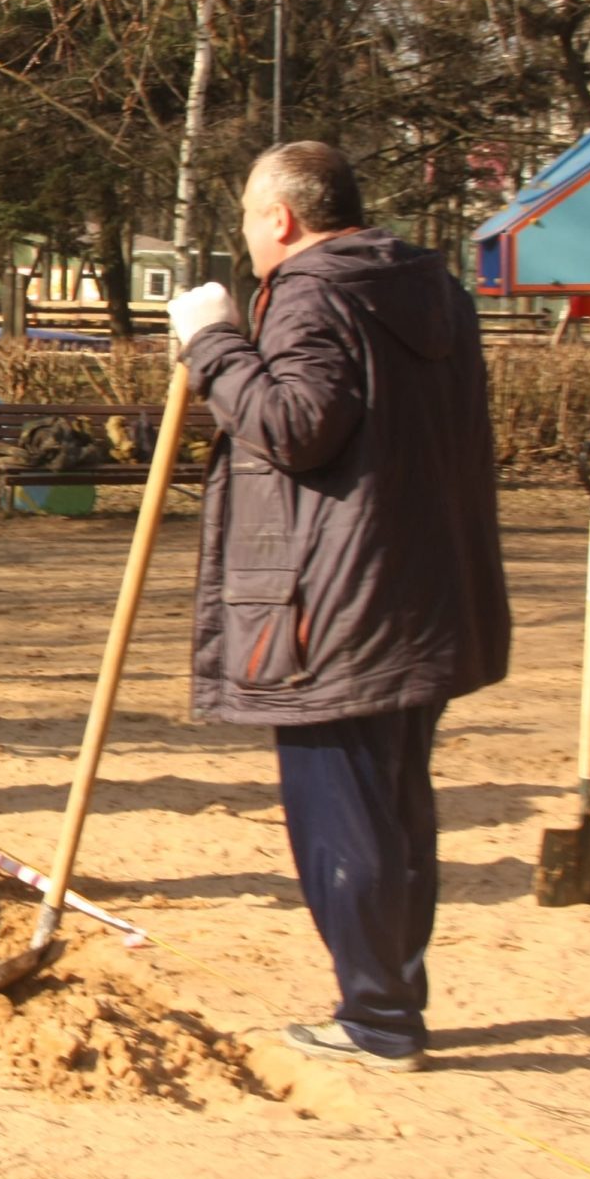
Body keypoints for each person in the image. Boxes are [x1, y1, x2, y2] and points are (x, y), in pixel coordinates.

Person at [167, 142, 506, 1073]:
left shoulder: (316, 289)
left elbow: (293, 425)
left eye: (246, 218)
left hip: (337, 600)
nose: (245, 237)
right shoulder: (426, 288)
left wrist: (210, 344)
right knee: (396, 803)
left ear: (281, 218)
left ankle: (379, 1017)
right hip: (417, 587)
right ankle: (389, 1000)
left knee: (342, 809)